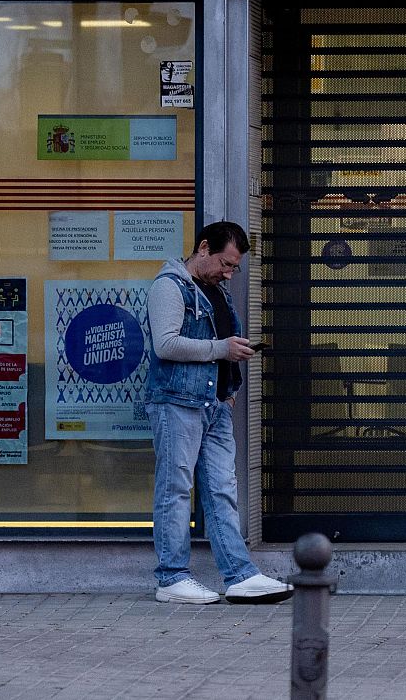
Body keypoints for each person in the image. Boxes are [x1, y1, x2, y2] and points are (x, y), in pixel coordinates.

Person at [144, 221, 292, 605]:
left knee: (222, 491)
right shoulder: (169, 286)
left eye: (234, 268)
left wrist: (230, 390)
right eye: (226, 264)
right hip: (177, 403)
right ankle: (171, 578)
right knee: (175, 490)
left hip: (214, 406)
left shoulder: (217, 292)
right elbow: (166, 344)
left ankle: (240, 576)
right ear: (203, 247)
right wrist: (222, 349)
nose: (228, 273)